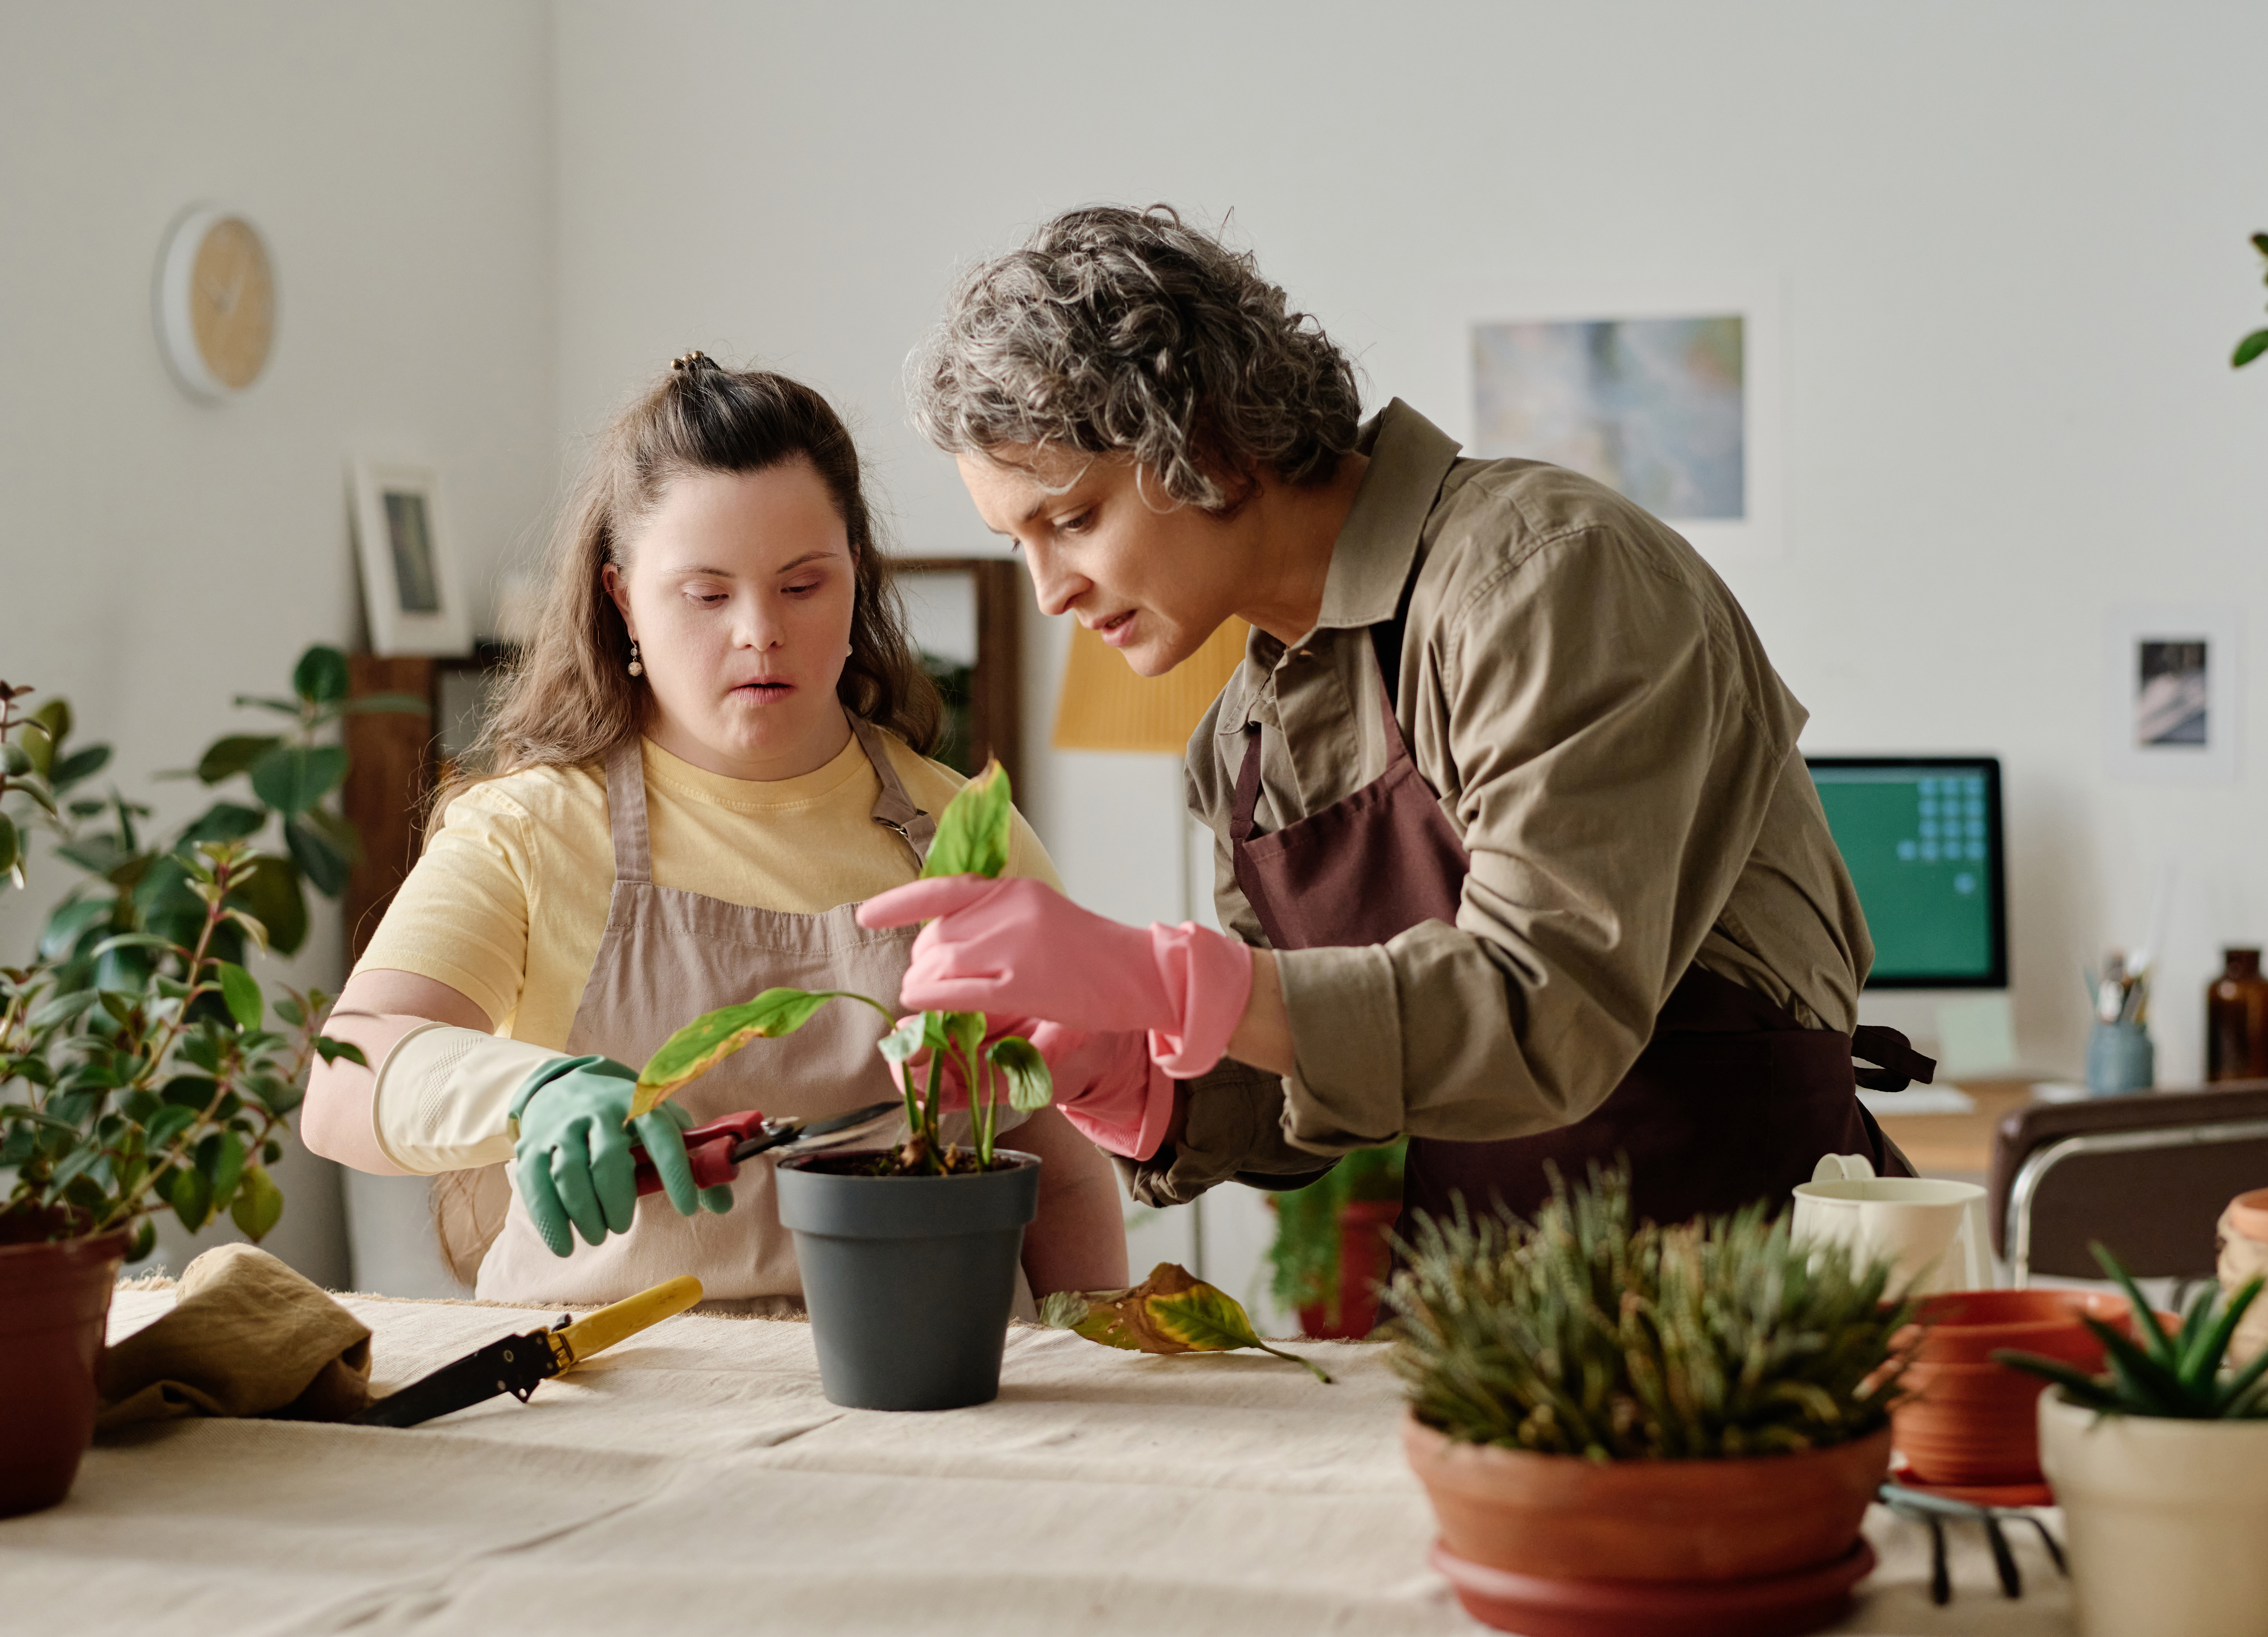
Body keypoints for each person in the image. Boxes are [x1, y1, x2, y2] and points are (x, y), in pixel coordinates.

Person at [863, 206, 1930, 1241]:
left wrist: (1167, 973)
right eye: (1022, 546)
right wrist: (1127, 1066)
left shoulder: (1544, 580)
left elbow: (1545, 1013)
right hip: (1491, 1296)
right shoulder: (1242, 739)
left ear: (1216, 441)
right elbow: (1310, 1088)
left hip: (1749, 1267)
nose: (1051, 591)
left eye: (1076, 519)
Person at [302, 355, 1127, 1308]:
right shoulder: (527, 830)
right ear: (623, 603)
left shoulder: (965, 835)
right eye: (706, 594)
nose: (759, 632)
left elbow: (1059, 1169)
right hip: (611, 1405)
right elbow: (343, 1084)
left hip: (925, 1410)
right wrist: (534, 1094)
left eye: (803, 586)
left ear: (857, 577)